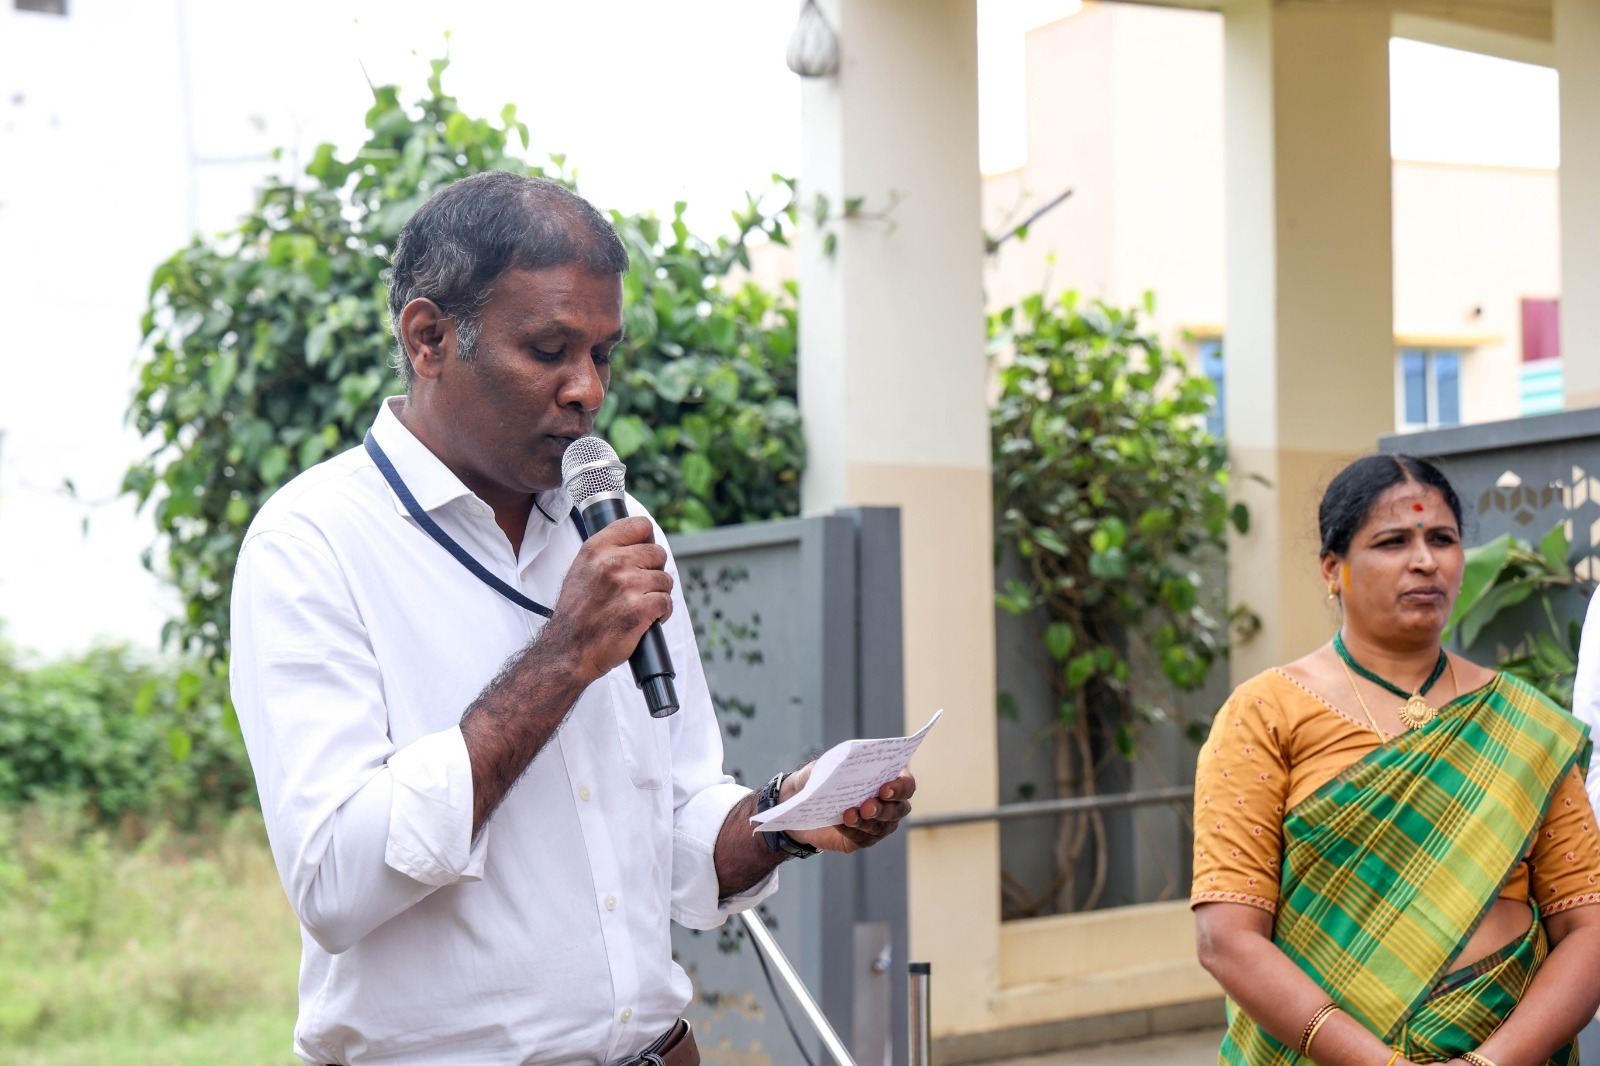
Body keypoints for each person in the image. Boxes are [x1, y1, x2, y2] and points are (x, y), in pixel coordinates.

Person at [229, 171, 916, 1066]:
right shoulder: (312, 542)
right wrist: (561, 657)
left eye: (603, 354)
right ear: (429, 338)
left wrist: (785, 819)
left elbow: (676, 833)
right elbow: (334, 882)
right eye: (549, 349)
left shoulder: (617, 530)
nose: (587, 389)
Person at [1190, 454, 1600, 1066]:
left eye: (1443, 539)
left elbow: (1587, 927)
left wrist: (1490, 1063)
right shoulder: (1265, 714)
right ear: (1332, 568)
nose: (1425, 561)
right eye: (1393, 541)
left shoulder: (1523, 724)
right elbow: (1226, 940)